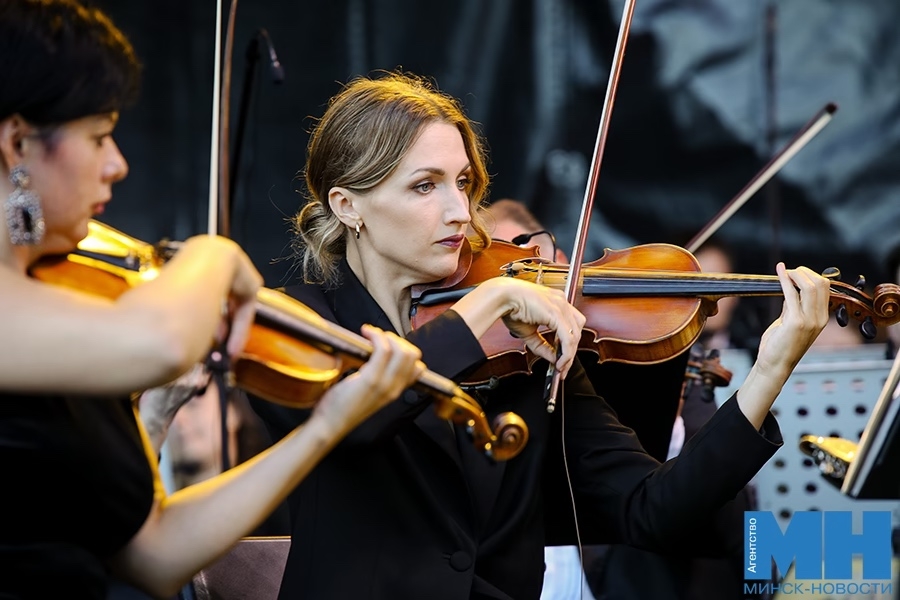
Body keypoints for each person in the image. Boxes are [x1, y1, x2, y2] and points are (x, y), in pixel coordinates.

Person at [251, 71, 831, 600]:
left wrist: (769, 373)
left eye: (463, 182)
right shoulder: (296, 324)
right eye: (425, 186)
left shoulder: (520, 345)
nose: (460, 211)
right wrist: (483, 307)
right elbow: (352, 420)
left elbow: (651, 511)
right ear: (347, 205)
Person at [0, 2, 425, 598]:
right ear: (17, 142)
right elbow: (163, 341)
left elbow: (154, 554)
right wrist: (215, 254)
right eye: (98, 137)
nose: (117, 164)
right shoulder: (103, 329)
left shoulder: (64, 310)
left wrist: (326, 427)